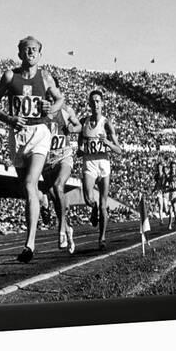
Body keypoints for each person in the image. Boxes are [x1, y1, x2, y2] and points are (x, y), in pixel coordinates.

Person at [0, 36, 64, 263]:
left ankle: (29, 244)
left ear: (40, 54)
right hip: (17, 136)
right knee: (26, 188)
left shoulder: (46, 77)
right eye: (26, 49)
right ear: (20, 54)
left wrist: (50, 109)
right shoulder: (11, 76)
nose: (30, 52)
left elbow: (60, 99)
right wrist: (9, 118)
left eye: (34, 49)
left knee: (30, 183)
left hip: (39, 133)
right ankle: (42, 199)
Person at [77, 90, 122, 250]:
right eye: (93, 101)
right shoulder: (84, 122)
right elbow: (79, 145)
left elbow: (119, 150)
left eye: (98, 101)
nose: (95, 104)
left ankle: (102, 238)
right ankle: (92, 207)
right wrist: (80, 149)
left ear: (102, 104)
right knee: (88, 197)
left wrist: (108, 143)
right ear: (89, 104)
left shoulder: (107, 123)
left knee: (104, 204)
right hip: (89, 162)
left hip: (103, 163)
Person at [41, 76, 81, 254]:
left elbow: (79, 125)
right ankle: (67, 227)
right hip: (47, 160)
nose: (49, 94)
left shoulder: (65, 109)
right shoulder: (40, 109)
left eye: (52, 90)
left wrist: (73, 128)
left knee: (59, 186)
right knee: (54, 197)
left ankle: (61, 231)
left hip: (64, 156)